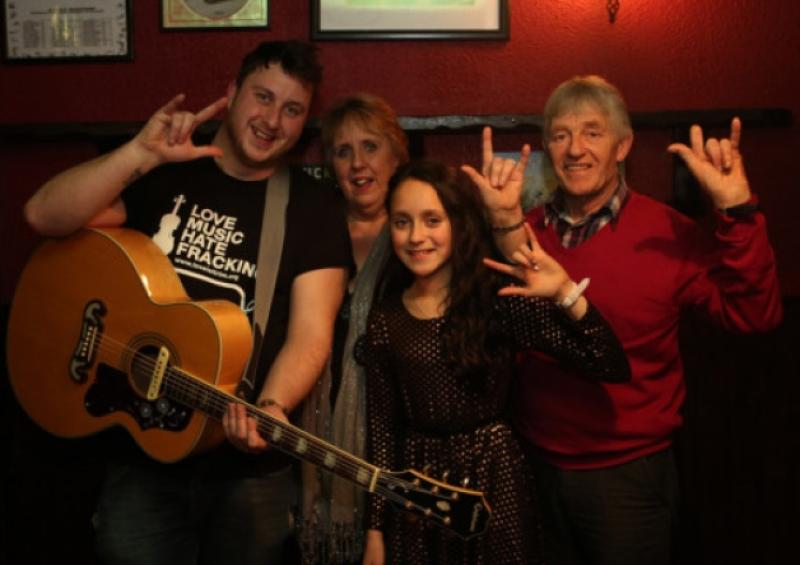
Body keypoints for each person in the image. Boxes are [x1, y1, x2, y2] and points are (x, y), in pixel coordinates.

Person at [24, 40, 352, 565]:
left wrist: (271, 407)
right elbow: (44, 215)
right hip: (142, 452)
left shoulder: (314, 208)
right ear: (231, 93)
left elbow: (312, 334)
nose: (273, 120)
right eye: (263, 97)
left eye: (293, 109)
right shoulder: (168, 171)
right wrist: (140, 154)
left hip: (247, 474)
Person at [471, 75, 783, 565]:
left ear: (623, 146)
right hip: (533, 465)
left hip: (628, 479)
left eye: (592, 133)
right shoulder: (523, 232)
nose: (575, 149)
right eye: (561, 135)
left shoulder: (669, 233)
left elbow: (754, 315)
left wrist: (738, 211)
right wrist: (499, 223)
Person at [360, 159, 631, 565]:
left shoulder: (497, 300)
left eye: (432, 220)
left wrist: (564, 291)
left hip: (494, 479)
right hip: (418, 493)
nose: (416, 236)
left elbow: (608, 362)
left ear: (459, 224)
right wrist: (375, 531)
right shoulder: (386, 317)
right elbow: (383, 431)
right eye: (402, 222)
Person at [295, 93, 408, 564]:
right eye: (343, 151)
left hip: (395, 435)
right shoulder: (313, 231)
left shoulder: (416, 237)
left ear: (396, 155)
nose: (358, 163)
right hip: (311, 431)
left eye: (371, 147)